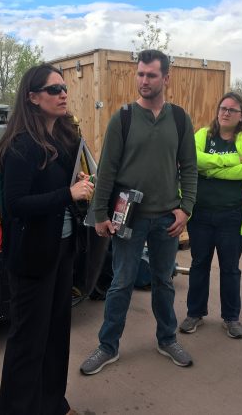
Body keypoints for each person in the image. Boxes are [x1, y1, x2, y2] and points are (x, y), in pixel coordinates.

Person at [80, 49, 198, 375]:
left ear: (166, 78)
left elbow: (189, 168)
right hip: (127, 217)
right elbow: (106, 171)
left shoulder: (179, 118)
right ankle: (107, 346)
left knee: (164, 281)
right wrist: (100, 214)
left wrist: (185, 208)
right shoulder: (124, 118)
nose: (144, 81)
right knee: (121, 282)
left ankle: (167, 339)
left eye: (151, 75)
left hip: (166, 219)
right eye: (140, 74)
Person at [0, 64, 91, 415]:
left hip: (61, 251)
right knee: (28, 343)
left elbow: (59, 192)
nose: (62, 93)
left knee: (56, 334)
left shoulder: (62, 139)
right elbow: (16, 205)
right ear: (33, 97)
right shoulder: (21, 144)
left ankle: (53, 403)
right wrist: (69, 193)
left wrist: (76, 184)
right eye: (53, 90)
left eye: (64, 87)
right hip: (32, 258)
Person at [179, 92, 242, 338]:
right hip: (201, 215)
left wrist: (211, 170)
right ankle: (195, 313)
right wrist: (227, 161)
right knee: (199, 264)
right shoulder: (204, 135)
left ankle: (231, 318)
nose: (225, 113)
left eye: (231, 110)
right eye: (222, 108)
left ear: (241, 115)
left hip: (232, 216)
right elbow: (191, 160)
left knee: (230, 268)